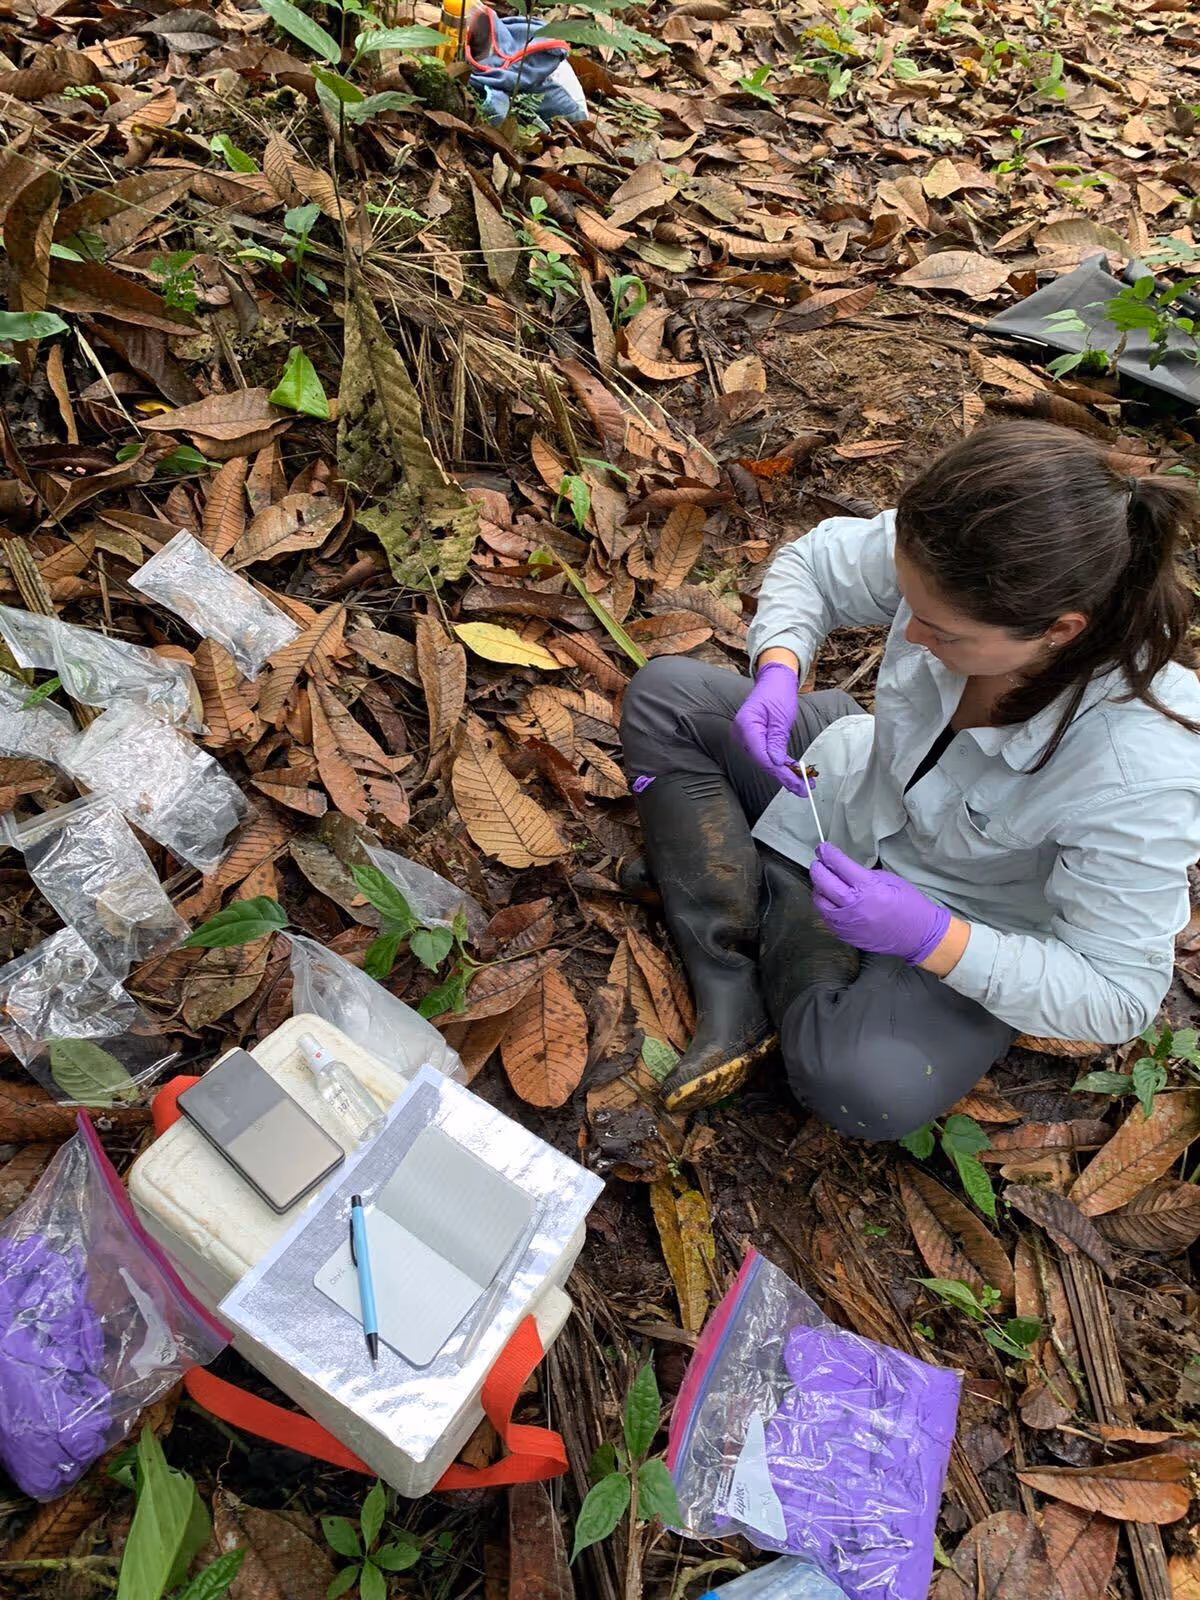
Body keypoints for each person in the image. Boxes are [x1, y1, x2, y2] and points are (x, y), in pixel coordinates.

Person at [618, 421, 1200, 1137]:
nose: (910, 633)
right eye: (907, 605)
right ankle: (730, 979)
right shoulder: (955, 554)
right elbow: (815, 567)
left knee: (867, 1086)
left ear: (1060, 630)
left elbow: (1118, 993)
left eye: (942, 631)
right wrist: (779, 669)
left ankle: (752, 883)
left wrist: (931, 937)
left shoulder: (1139, 771)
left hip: (964, 920)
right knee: (668, 697)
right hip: (849, 787)